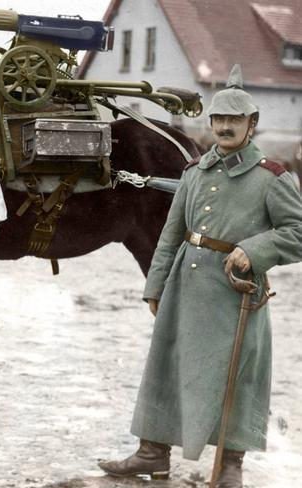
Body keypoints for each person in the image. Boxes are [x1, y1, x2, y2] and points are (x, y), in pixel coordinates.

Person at [97, 64, 302, 487]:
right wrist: (155, 285)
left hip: (237, 293)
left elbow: (298, 231)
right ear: (210, 123)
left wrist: (254, 249)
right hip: (185, 286)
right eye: (219, 119)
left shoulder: (272, 177)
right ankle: (152, 453)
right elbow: (171, 235)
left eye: (235, 120)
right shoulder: (194, 172)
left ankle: (230, 466)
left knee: (237, 377)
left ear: (252, 124)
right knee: (166, 367)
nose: (225, 127)